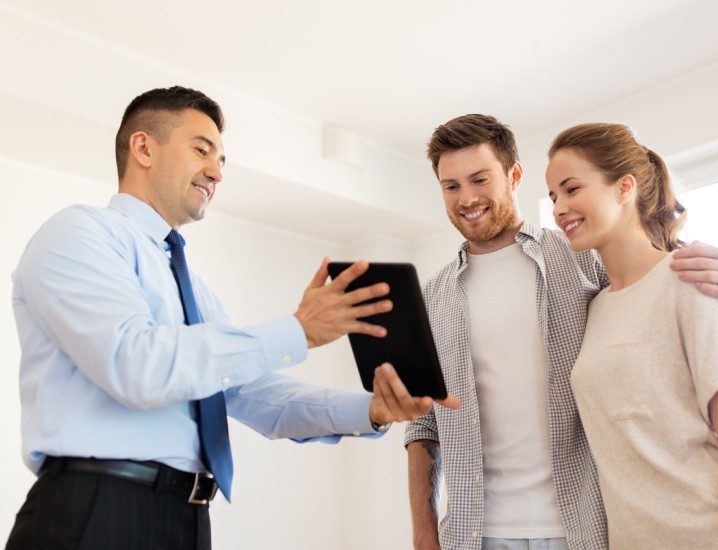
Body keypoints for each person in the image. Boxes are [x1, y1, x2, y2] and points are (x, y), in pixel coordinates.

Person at [6, 86, 459, 550]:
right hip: (97, 510)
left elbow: (256, 394)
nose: (216, 172)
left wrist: (372, 410)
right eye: (202, 150)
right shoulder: (78, 233)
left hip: (188, 518)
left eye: (222, 161)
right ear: (143, 147)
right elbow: (134, 364)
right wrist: (298, 330)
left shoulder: (195, 289)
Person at [404, 114, 718, 550]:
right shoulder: (431, 297)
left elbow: (653, 295)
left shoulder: (581, 258)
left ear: (513, 175)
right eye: (451, 186)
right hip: (473, 534)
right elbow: (422, 424)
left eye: (479, 179)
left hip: (584, 527)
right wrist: (423, 533)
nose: (467, 198)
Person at [545, 122, 718, 548]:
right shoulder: (596, 307)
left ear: (624, 187)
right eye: (552, 196)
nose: (558, 208)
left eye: (571, 189)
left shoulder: (690, 279)